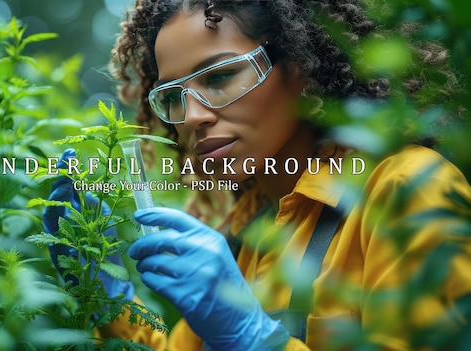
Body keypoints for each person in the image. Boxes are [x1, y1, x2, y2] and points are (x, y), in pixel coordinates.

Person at [46, 0, 471, 350]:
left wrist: (257, 340)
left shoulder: (411, 189)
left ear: (301, 66)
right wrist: (108, 301)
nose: (192, 116)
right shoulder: (248, 230)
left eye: (221, 76)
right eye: (173, 96)